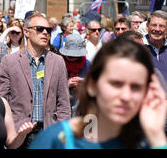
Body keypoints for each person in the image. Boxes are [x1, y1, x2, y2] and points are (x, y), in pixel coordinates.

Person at [30, 38, 167, 149]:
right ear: (92, 85)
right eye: (116, 84)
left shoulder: (149, 141)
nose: (126, 96)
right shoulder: (57, 140)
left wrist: (156, 136)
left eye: (136, 87)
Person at [0, 13, 71, 148]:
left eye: (48, 30)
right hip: (19, 134)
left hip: (48, 133)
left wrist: (61, 130)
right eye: (40, 29)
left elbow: (63, 101)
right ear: (26, 32)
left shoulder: (57, 61)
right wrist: (10, 130)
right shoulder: (9, 61)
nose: (45, 33)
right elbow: (1, 101)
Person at [59, 34, 91, 116]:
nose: (72, 57)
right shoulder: (58, 63)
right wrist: (67, 84)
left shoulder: (87, 65)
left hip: (82, 110)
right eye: (70, 55)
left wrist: (85, 83)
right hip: (61, 111)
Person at [143, 10, 167, 81]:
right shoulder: (138, 47)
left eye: (161, 26)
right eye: (154, 25)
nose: (157, 29)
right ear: (147, 27)